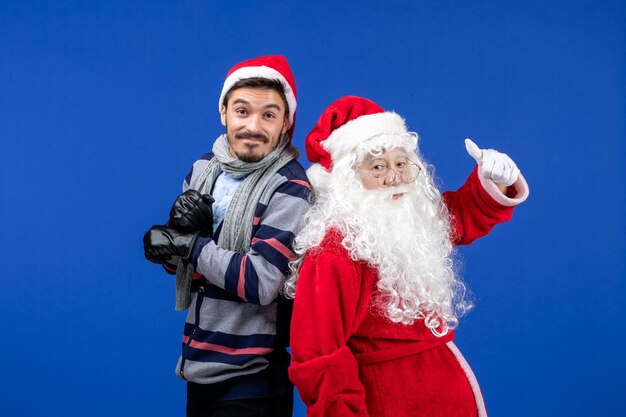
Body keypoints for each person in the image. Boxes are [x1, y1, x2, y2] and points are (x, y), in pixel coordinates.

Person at [284, 96, 529, 417]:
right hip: (388, 401)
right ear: (346, 181)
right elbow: (318, 355)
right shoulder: (334, 249)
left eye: (400, 163)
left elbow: (458, 218)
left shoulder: (408, 218)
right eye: (377, 167)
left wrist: (491, 182)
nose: (394, 177)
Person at [143, 55, 311, 417]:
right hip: (198, 364)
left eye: (269, 114)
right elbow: (189, 272)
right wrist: (169, 246)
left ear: (286, 123)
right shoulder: (204, 170)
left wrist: (189, 245)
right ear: (223, 113)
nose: (253, 126)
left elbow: (261, 282)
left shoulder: (291, 187)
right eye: (242, 111)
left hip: (253, 376)